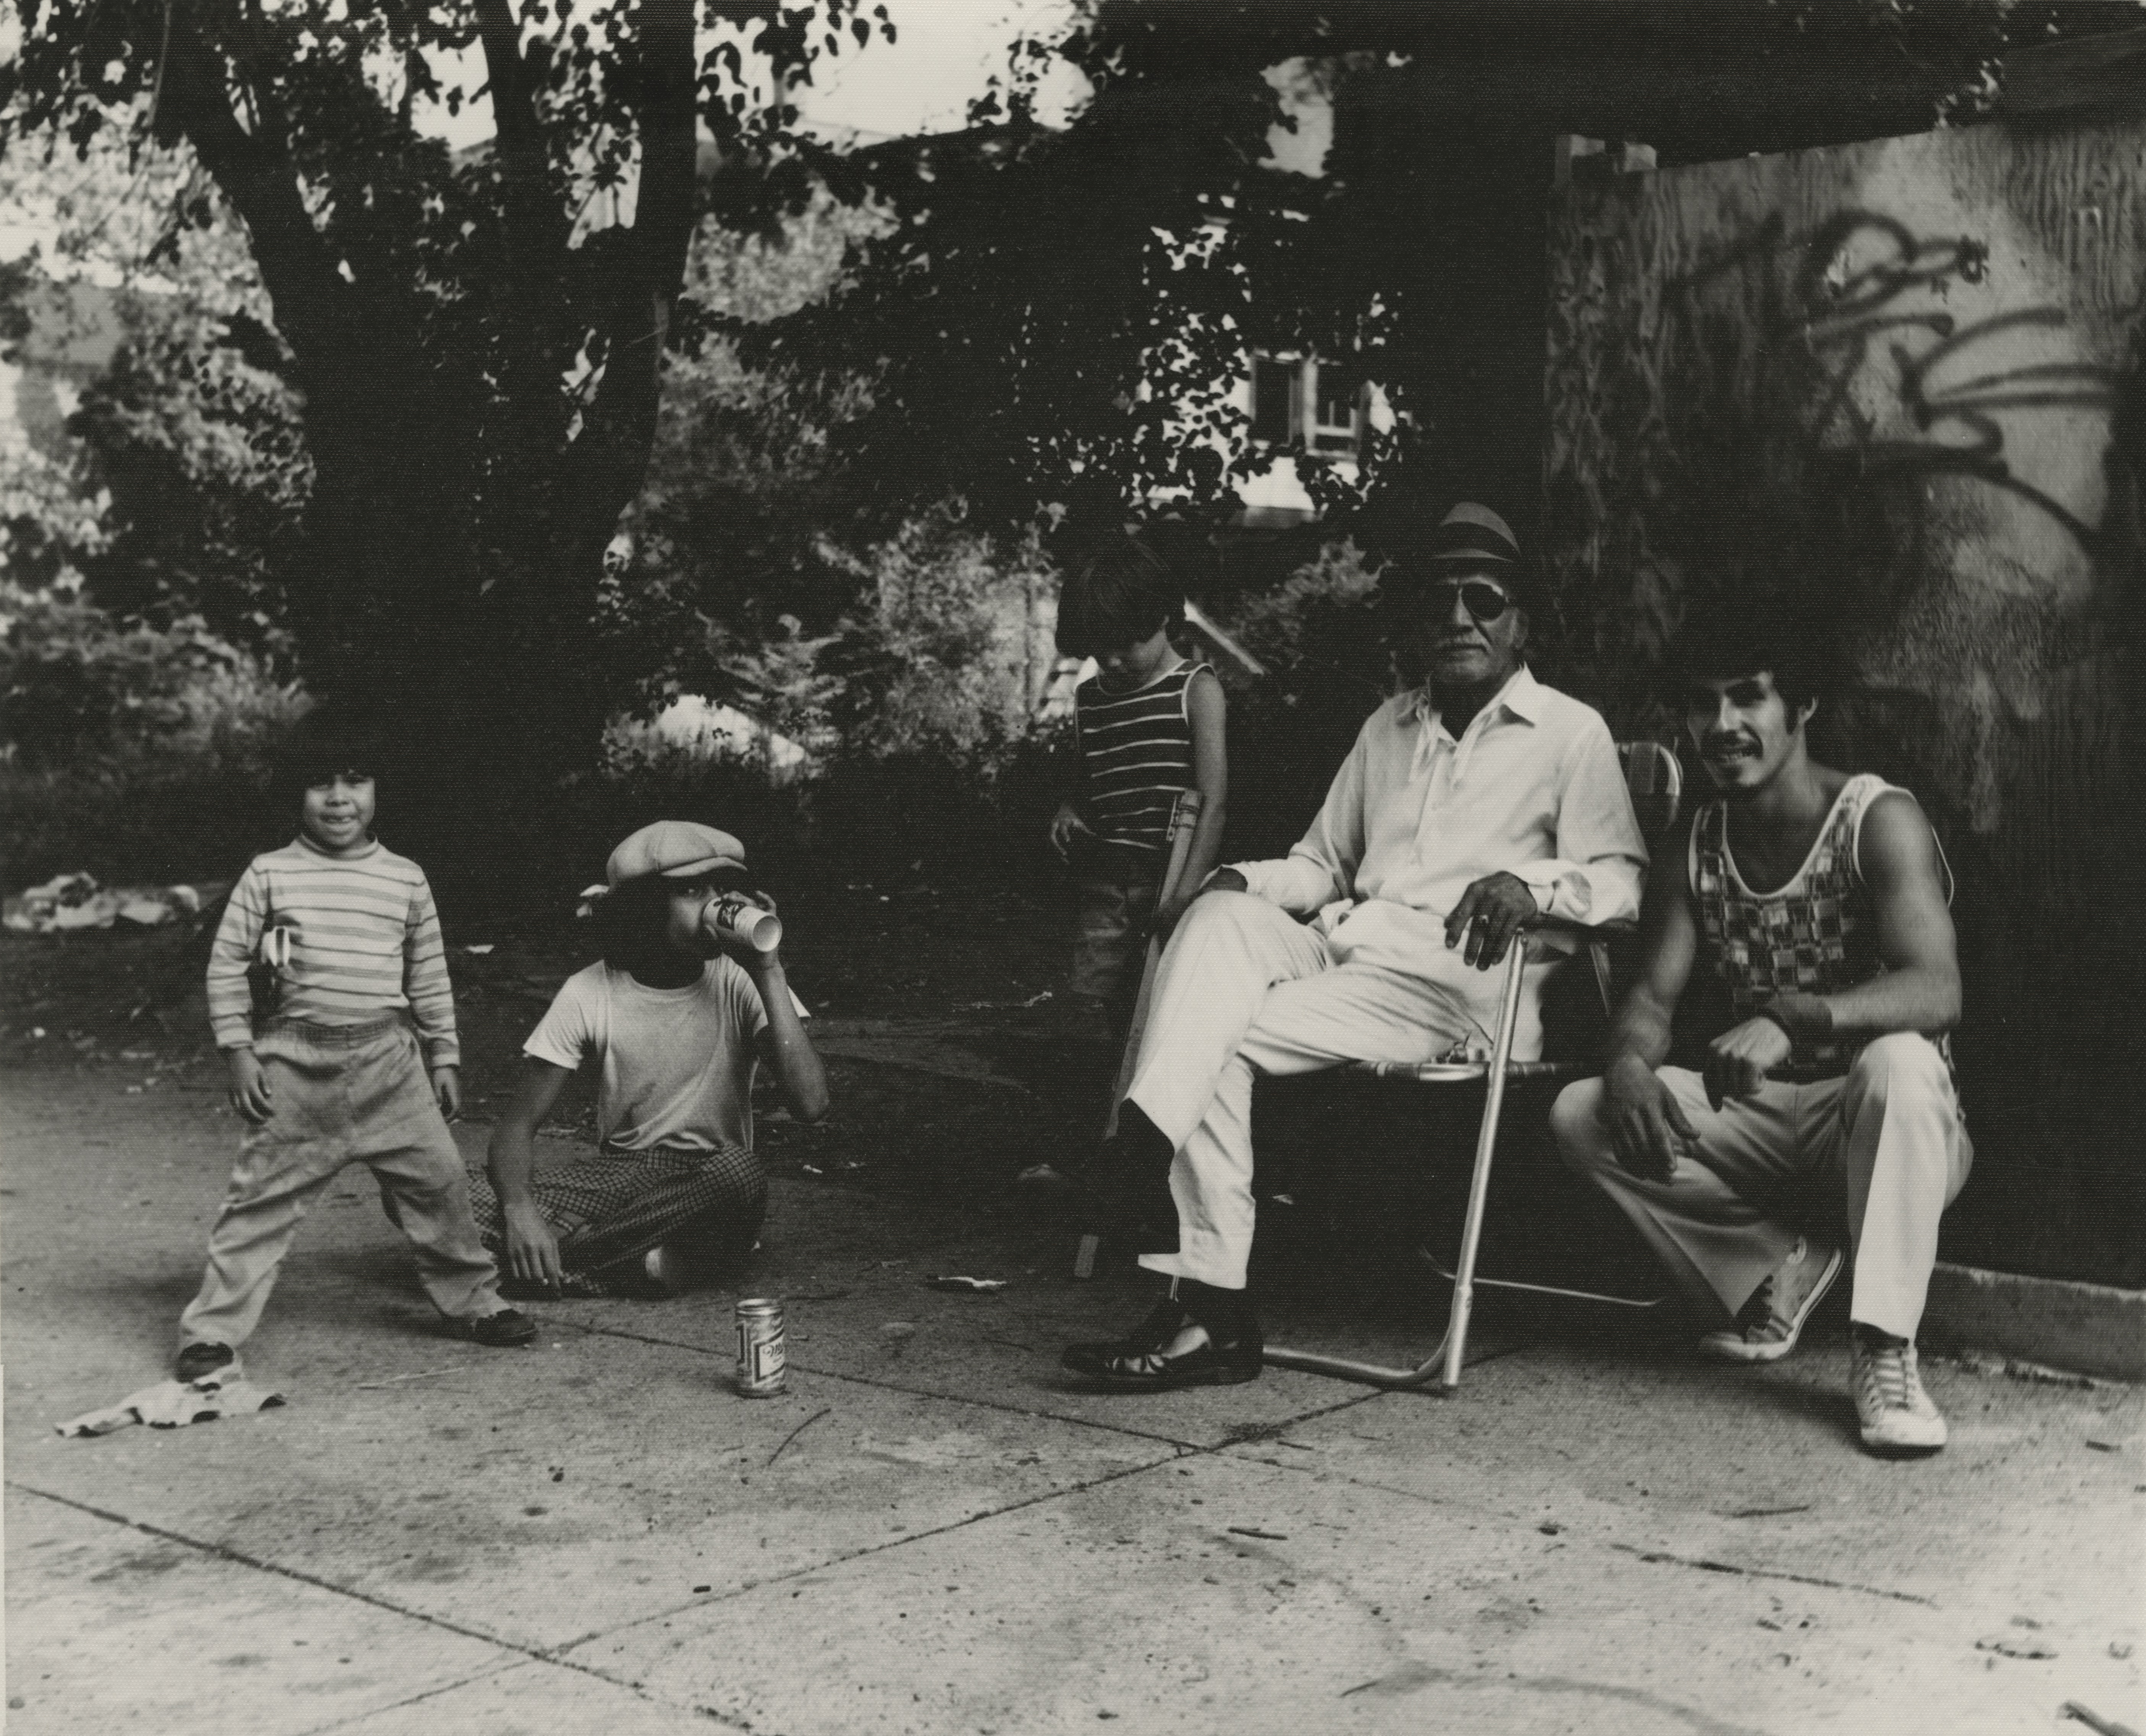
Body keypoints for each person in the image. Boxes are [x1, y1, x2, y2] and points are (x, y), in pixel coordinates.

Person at [1062, 501, 1648, 1390]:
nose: (1458, 618)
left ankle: (1203, 1299)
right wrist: (1241, 883)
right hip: (1345, 959)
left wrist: (1527, 886)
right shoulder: (1389, 726)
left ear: (1520, 619)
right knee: (1213, 919)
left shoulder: (1569, 734)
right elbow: (1319, 865)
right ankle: (1153, 1144)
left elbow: (1621, 884)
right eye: (1439, 598)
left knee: (1209, 1040)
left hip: (1452, 991)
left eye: (1482, 599)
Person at [1549, 610, 1971, 1456]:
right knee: (1581, 1110)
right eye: (1703, 706)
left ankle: (1884, 1349)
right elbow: (1651, 1001)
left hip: (1879, 1119)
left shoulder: (1874, 816)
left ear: (1803, 704)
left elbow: (1937, 988)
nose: (1723, 727)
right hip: (1763, 1115)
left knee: (1901, 1061)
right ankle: (1776, 1271)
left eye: (1749, 699)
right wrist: (1630, 1059)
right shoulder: (1693, 841)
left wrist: (1794, 1014)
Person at [178, 711, 534, 1380]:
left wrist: (444, 1055)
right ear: (295, 794)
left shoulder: (404, 878)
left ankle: (475, 1302)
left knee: (441, 1183)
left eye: (355, 781)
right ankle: (212, 1332)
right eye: (319, 783)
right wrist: (238, 1050)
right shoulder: (269, 874)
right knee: (258, 1200)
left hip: (390, 1067)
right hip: (294, 1068)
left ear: (379, 791)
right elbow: (227, 963)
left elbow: (428, 971)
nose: (338, 798)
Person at [476, 821, 829, 1299]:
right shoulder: (589, 990)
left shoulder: (741, 980)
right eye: (691, 891)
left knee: (738, 1172)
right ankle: (634, 1266)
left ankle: (543, 1260)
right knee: (435, 1194)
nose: (715, 904)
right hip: (621, 1179)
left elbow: (812, 1104)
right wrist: (521, 1212)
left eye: (721, 888)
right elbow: (516, 1128)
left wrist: (769, 969)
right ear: (643, 909)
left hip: (710, 1181)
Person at [1048, 532, 1230, 1044]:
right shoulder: (1090, 698)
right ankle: (1118, 1088)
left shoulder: (1196, 690)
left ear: (1161, 619)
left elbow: (1213, 802)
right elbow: (1090, 779)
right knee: (1113, 996)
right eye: (1096, 649)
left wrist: (1185, 892)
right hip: (1107, 880)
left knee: (1170, 993)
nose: (1108, 662)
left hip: (1169, 876)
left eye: (1122, 644)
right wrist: (1066, 810)